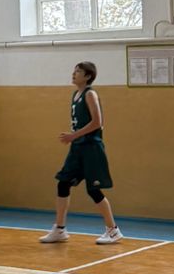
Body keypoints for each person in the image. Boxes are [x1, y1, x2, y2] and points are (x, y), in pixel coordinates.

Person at [39, 61, 123, 246]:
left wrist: (73, 135)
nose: (74, 74)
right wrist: (74, 138)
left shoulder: (90, 94)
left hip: (91, 148)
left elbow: (97, 122)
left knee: (93, 190)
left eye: (78, 71)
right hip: (77, 148)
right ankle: (60, 229)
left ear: (87, 76)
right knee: (63, 183)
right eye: (74, 71)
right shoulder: (75, 94)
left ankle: (113, 230)